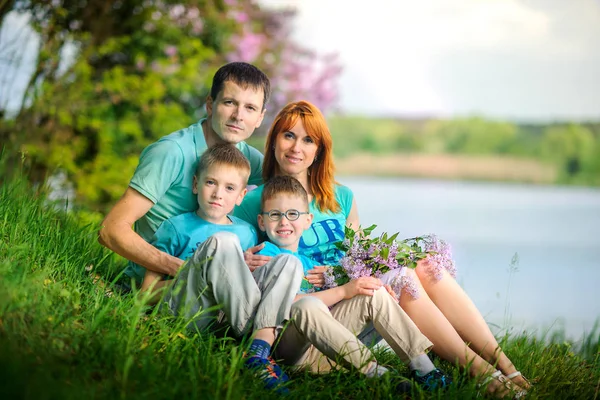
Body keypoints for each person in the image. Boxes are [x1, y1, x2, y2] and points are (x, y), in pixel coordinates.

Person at [233, 100, 531, 398]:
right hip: (302, 316)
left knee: (424, 267)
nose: (297, 147)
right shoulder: (255, 201)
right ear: (273, 142)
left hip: (348, 306)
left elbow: (358, 256)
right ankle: (478, 371)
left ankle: (503, 364)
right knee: (402, 278)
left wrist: (341, 276)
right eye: (288, 135)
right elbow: (249, 275)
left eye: (308, 140)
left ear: (319, 150)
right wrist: (243, 258)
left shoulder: (340, 197)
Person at [255, 175, 452, 392]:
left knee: (373, 291)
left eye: (293, 214)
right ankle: (378, 375)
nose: (284, 221)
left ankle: (425, 370)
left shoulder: (312, 263)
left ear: (308, 220)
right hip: (290, 350)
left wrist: (371, 290)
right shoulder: (265, 255)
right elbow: (280, 304)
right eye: (275, 214)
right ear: (262, 221)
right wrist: (344, 291)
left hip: (329, 348)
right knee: (306, 306)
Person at [145, 144, 305, 393]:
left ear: (241, 196)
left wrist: (240, 268)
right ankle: (255, 335)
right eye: (211, 183)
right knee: (223, 242)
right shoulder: (175, 227)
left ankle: (257, 350)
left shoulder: (247, 231)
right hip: (189, 313)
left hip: (228, 321)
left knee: (289, 262)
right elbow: (148, 292)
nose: (218, 194)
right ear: (196, 185)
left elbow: (244, 286)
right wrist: (201, 268)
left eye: (229, 188)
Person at [98, 61, 270, 286]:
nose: (238, 116)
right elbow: (111, 230)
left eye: (250, 108)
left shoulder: (248, 159)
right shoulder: (171, 152)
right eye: (230, 102)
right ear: (210, 104)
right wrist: (188, 270)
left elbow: (294, 187)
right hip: (158, 285)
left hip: (218, 281)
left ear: (260, 118)